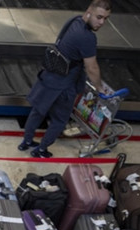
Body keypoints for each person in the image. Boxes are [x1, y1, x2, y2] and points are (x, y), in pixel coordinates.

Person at [18, 0, 111, 158]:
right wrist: (100, 88)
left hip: (49, 76)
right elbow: (92, 68)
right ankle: (41, 150)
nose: (101, 22)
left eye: (105, 19)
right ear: (89, 11)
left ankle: (26, 142)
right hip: (64, 85)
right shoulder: (88, 38)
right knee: (59, 120)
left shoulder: (73, 21)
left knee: (37, 112)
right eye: (99, 17)